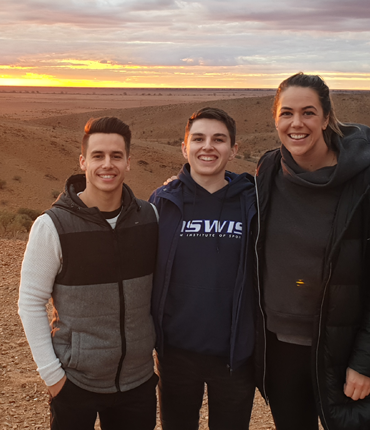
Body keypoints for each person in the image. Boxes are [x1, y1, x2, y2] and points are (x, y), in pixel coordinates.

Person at [253, 73, 370, 430]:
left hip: (344, 346)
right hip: (280, 347)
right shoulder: (268, 170)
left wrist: (366, 362)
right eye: (286, 113)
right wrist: (184, 184)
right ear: (276, 119)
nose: (296, 124)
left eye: (308, 112)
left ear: (326, 117)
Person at [18, 116, 159, 430]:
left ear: (128, 162)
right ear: (83, 162)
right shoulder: (52, 226)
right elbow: (30, 303)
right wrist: (53, 378)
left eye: (116, 156)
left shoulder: (150, 218)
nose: (107, 164)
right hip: (75, 384)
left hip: (137, 383)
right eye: (98, 156)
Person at [149, 107, 258, 430]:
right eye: (198, 139)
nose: (207, 146)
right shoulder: (162, 202)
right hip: (176, 352)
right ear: (185, 148)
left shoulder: (253, 202)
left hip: (235, 353)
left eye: (218, 139)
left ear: (233, 149)